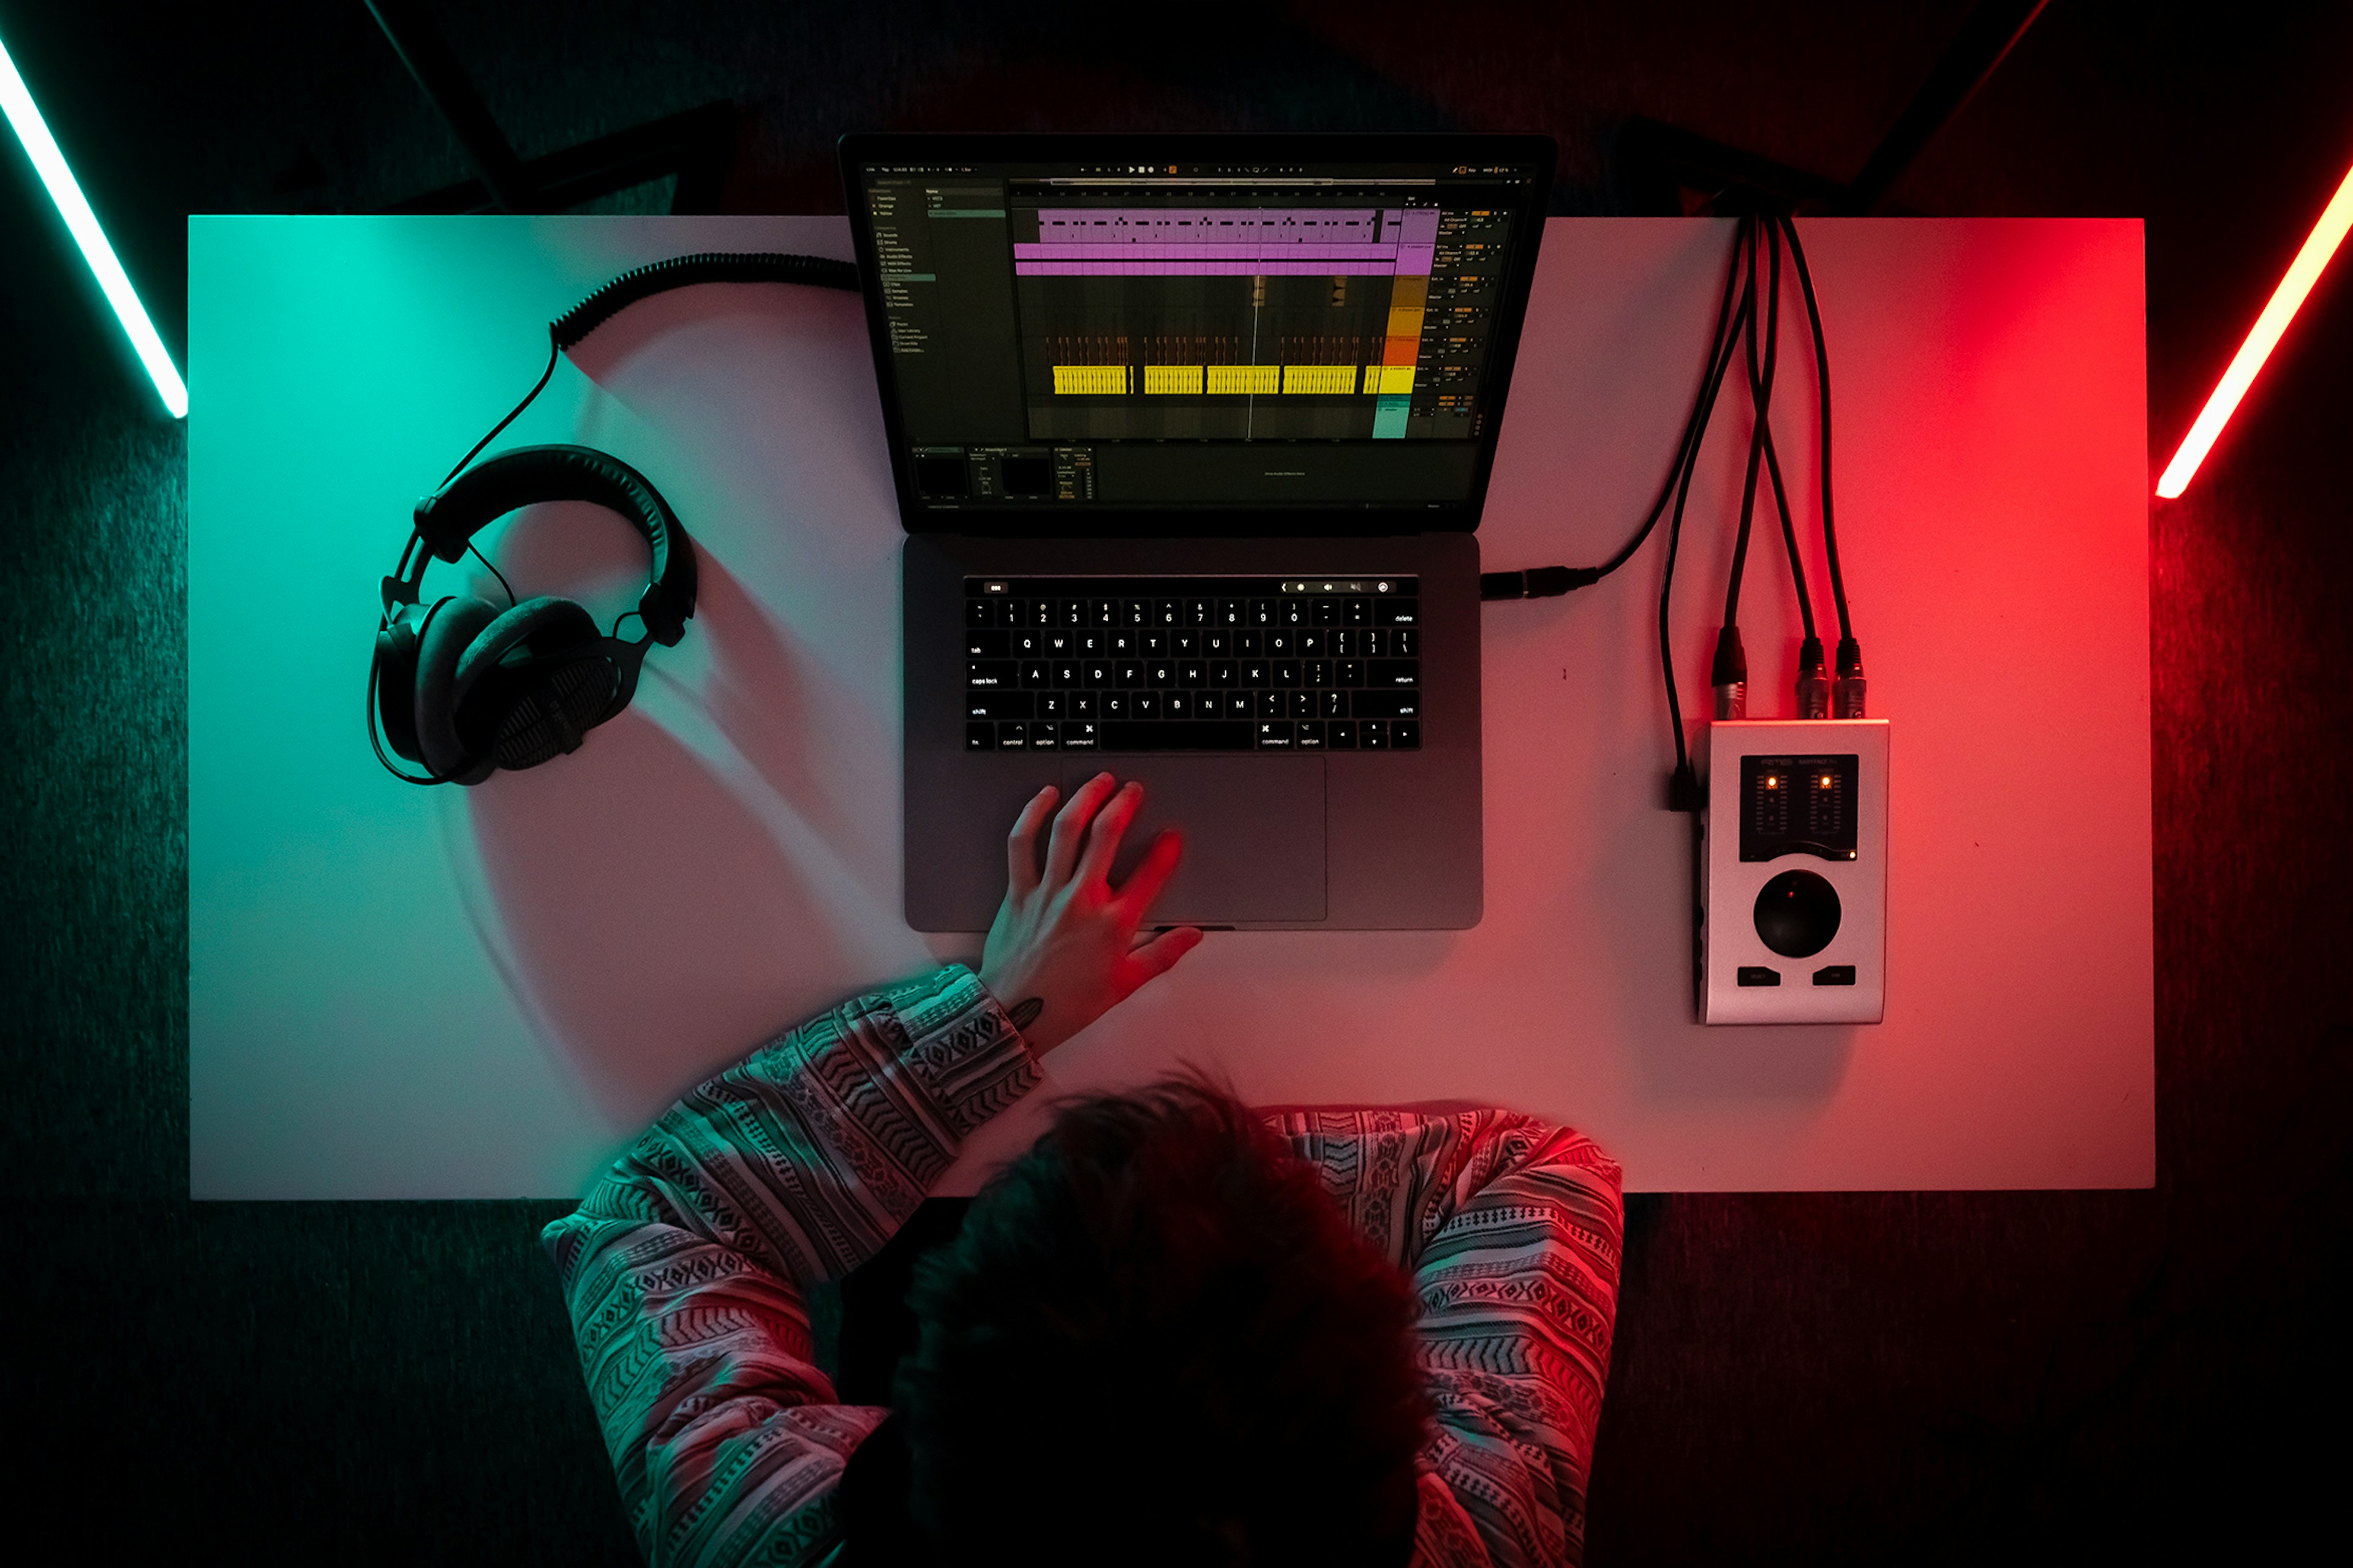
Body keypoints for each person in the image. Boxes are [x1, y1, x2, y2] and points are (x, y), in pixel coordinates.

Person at [545, 772, 1623, 1567]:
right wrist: (1207, 1190)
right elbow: (1529, 1169)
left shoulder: (761, 1531)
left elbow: (663, 1209)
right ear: (1401, 1455)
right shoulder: (1492, 1531)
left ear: (909, 1427)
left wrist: (1002, 1017)